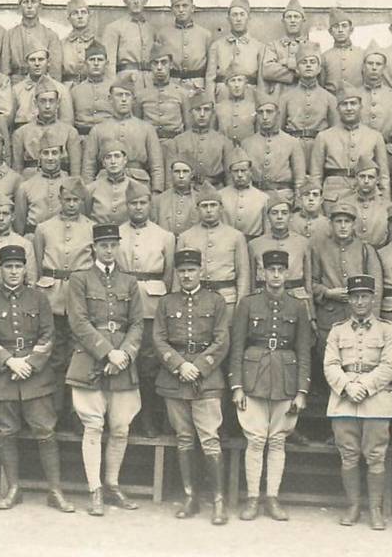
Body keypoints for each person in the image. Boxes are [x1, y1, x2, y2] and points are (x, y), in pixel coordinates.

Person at [0, 244, 75, 513]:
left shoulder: (39, 299)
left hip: (36, 376)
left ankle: (55, 490)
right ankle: (13, 488)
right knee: (6, 432)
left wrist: (29, 363)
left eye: (18, 266)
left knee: (45, 431)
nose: (14, 272)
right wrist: (10, 362)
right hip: (2, 377)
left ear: (25, 269)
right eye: (9, 267)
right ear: (0, 270)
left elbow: (48, 336)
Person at [66, 224, 145, 516]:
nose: (109, 250)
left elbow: (137, 323)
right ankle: (94, 488)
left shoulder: (129, 281)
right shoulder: (80, 280)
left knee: (121, 427)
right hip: (90, 360)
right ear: (93, 249)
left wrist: (124, 353)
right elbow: (78, 322)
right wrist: (107, 352)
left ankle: (112, 485)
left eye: (113, 244)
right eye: (104, 245)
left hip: (122, 361)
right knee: (93, 426)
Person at [229, 250, 312, 521]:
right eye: (271, 270)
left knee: (277, 442)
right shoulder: (248, 304)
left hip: (285, 380)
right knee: (255, 441)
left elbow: (303, 351)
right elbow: (237, 346)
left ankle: (272, 498)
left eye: (280, 270)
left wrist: (301, 391)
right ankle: (253, 498)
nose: (275, 275)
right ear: (262, 273)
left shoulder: (298, 306)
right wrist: (237, 385)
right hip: (253, 378)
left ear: (287, 273)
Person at [152, 248, 230, 523]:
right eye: (182, 271)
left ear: (200, 271)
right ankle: (190, 497)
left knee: (210, 439)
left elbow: (222, 341)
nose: (186, 275)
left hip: (206, 379)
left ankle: (219, 501)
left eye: (191, 270)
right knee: (184, 438)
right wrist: (178, 365)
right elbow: (159, 339)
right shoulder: (166, 303)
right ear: (177, 273)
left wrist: (199, 366)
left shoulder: (215, 301)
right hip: (175, 378)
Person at [323, 274, 392, 529]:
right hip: (344, 400)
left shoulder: (387, 329)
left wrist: (364, 387)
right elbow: (330, 364)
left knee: (376, 455)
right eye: (355, 296)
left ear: (373, 298)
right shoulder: (337, 330)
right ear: (349, 300)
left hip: (376, 399)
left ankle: (375, 510)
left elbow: (390, 366)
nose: (359, 302)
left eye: (364, 296)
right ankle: (353, 506)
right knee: (349, 455)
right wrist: (347, 387)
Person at [312, 197, 383, 426]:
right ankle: (333, 427)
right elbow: (310, 283)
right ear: (331, 224)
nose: (342, 226)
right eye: (338, 221)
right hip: (329, 317)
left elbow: (376, 286)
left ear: (354, 224)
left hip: (359, 319)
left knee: (357, 369)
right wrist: (328, 292)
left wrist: (374, 320)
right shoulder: (319, 248)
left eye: (347, 221)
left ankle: (355, 423)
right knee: (332, 371)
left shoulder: (365, 249)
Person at [33, 178, 95, 427]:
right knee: (54, 355)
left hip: (80, 298)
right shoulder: (44, 228)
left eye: (76, 200)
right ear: (59, 200)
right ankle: (54, 409)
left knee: (79, 353)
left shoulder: (92, 227)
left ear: (82, 202)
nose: (71, 205)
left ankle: (76, 412)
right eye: (67, 200)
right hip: (52, 297)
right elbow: (38, 264)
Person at [116, 180, 176, 438]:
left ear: (150, 205)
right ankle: (125, 418)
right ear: (126, 206)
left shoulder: (165, 236)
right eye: (133, 203)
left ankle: (149, 417)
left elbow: (170, 275)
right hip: (123, 307)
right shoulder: (117, 233)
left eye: (142, 203)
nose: (138, 208)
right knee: (125, 360)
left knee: (150, 364)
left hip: (152, 307)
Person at [177, 182, 251, 324]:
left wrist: (240, 304)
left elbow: (243, 275)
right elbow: (178, 275)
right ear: (197, 209)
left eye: (213, 205)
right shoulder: (186, 237)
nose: (209, 210)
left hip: (227, 299)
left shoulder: (236, 236)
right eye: (204, 206)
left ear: (221, 208)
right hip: (194, 299)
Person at [309, 85, 389, 213]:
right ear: (337, 109)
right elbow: (315, 176)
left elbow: (383, 176)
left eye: (353, 103)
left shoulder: (375, 136)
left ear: (361, 106)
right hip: (334, 196)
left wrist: (384, 203)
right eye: (344, 104)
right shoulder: (324, 136)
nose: (349, 108)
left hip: (366, 197)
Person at [83, 74, 163, 192]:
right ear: (110, 99)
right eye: (119, 95)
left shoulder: (146, 128)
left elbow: (156, 166)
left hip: (138, 185)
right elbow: (88, 166)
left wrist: (157, 191)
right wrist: (88, 192)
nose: (124, 99)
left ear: (133, 99)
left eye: (128, 95)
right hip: (105, 186)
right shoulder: (98, 129)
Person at [241, 91, 306, 203]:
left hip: (284, 198)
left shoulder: (292, 142)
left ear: (278, 114)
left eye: (269, 112)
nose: (265, 117)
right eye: (261, 112)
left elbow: (299, 179)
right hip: (255, 198)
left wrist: (298, 203)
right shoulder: (247, 143)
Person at [279, 42, 338, 162]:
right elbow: (279, 130)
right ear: (296, 68)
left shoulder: (329, 98)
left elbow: (335, 132)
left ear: (319, 68)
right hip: (292, 149)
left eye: (312, 62)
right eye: (303, 62)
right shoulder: (286, 98)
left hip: (320, 150)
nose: (308, 66)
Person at [11, 76, 81, 178]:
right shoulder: (21, 133)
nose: (47, 106)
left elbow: (75, 171)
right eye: (43, 101)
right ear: (35, 103)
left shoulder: (70, 132)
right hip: (30, 182)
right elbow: (17, 169)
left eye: (51, 101)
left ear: (57, 103)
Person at [357, 44, 392, 170]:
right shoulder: (354, 95)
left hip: (387, 155)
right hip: (359, 152)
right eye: (370, 63)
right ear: (363, 67)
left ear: (384, 68)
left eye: (378, 64)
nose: (374, 67)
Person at [166, 90, 231, 188]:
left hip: (216, 191)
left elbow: (229, 177)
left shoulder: (224, 142)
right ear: (190, 112)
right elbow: (170, 180)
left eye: (206, 110)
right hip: (187, 192)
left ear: (212, 113)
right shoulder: (177, 142)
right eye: (197, 109)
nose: (202, 114)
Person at [3, 0, 63, 85]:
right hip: (16, 83)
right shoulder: (10, 35)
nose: (29, 6)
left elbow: (55, 70)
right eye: (25, 2)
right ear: (19, 7)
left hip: (43, 84)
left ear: (39, 6)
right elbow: (5, 68)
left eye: (33, 2)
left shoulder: (50, 35)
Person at [206, 0, 262, 98]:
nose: (238, 19)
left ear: (248, 18)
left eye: (242, 14)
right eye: (234, 15)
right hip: (222, 95)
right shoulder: (217, 45)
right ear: (228, 19)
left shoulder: (259, 46)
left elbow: (261, 80)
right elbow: (210, 78)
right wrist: (210, 101)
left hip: (250, 96)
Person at [13, 130, 69, 236]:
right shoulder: (26, 187)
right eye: (46, 153)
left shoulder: (70, 184)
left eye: (54, 153)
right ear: (39, 156)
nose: (50, 158)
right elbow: (19, 225)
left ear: (61, 155)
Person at [158, 0, 212, 94]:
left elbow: (210, 68)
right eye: (177, 6)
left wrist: (208, 91)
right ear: (172, 9)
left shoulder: (205, 34)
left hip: (197, 87)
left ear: (193, 8)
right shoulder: (163, 34)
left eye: (185, 6)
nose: (181, 10)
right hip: (172, 86)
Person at [102, 0, 155, 82]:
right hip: (125, 81)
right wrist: (113, 86)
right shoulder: (114, 27)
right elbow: (109, 63)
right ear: (125, 2)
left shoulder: (151, 29)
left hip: (149, 81)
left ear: (145, 1)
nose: (136, 1)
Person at [136, 42, 191, 141]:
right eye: (155, 63)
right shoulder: (141, 95)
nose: (159, 67)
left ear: (170, 65)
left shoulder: (182, 94)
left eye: (164, 62)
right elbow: (138, 126)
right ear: (150, 66)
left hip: (175, 143)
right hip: (150, 143)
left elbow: (188, 127)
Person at [9, 46, 73, 130]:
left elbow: (67, 124)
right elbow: (10, 124)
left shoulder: (61, 89)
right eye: (32, 60)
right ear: (26, 63)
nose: (37, 63)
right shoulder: (16, 90)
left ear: (48, 62)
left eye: (41, 59)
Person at [260, 0, 310, 98]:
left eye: (296, 17)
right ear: (283, 21)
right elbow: (268, 71)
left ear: (303, 20)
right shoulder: (273, 46)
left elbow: (314, 71)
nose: (292, 20)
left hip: (304, 96)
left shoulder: (311, 46)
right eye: (289, 17)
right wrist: (296, 72)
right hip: (279, 96)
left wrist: (283, 62)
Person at [219, 149, 269, 240]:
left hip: (253, 243)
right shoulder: (220, 195)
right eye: (235, 171)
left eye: (243, 170)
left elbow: (267, 232)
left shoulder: (263, 198)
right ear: (230, 173)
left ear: (250, 172)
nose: (239, 175)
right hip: (226, 241)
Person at [69, 41, 114, 137]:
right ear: (85, 63)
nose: (96, 63)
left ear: (107, 63)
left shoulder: (115, 88)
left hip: (109, 137)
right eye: (92, 60)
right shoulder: (75, 91)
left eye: (100, 60)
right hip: (83, 138)